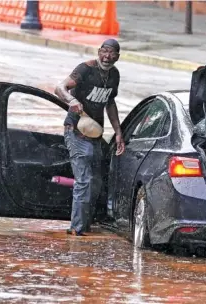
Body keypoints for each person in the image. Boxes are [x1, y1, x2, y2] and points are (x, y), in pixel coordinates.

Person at [54, 39, 125, 236]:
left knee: (96, 182)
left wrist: (118, 132)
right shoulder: (85, 69)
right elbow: (59, 87)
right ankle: (77, 229)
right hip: (75, 131)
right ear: (99, 51)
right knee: (84, 180)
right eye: (105, 51)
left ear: (118, 57)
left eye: (112, 54)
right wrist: (72, 100)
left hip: (95, 133)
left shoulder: (114, 76)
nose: (107, 57)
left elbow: (110, 103)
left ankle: (87, 224)